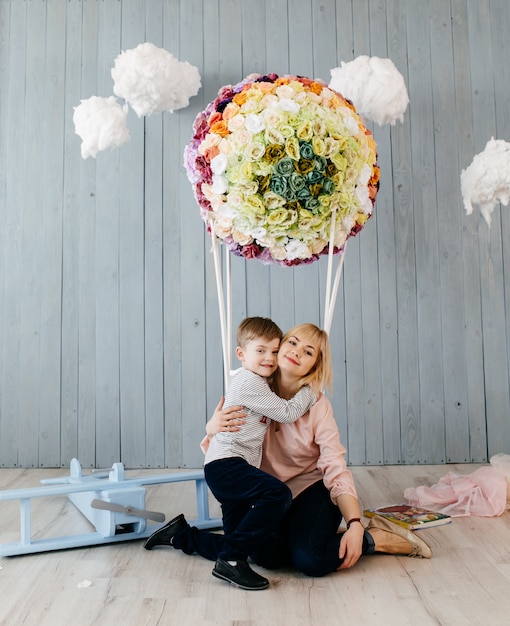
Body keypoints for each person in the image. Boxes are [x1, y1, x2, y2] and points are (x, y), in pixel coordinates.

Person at [144, 323, 431, 585]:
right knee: (265, 556)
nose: (295, 353)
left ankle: (374, 539)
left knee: (311, 560)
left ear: (314, 366)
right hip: (271, 495)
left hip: (310, 489)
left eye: (308, 352)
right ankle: (181, 535)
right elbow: (223, 443)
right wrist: (211, 425)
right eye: (291, 343)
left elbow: (334, 465)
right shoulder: (255, 385)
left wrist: (354, 523)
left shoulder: (315, 403)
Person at [145, 317, 318, 591]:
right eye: (260, 351)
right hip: (227, 465)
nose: (269, 358)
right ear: (241, 354)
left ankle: (180, 536)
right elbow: (287, 412)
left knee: (238, 541)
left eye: (274, 351)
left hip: (228, 466)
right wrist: (311, 390)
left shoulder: (260, 382)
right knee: (277, 494)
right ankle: (230, 563)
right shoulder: (248, 382)